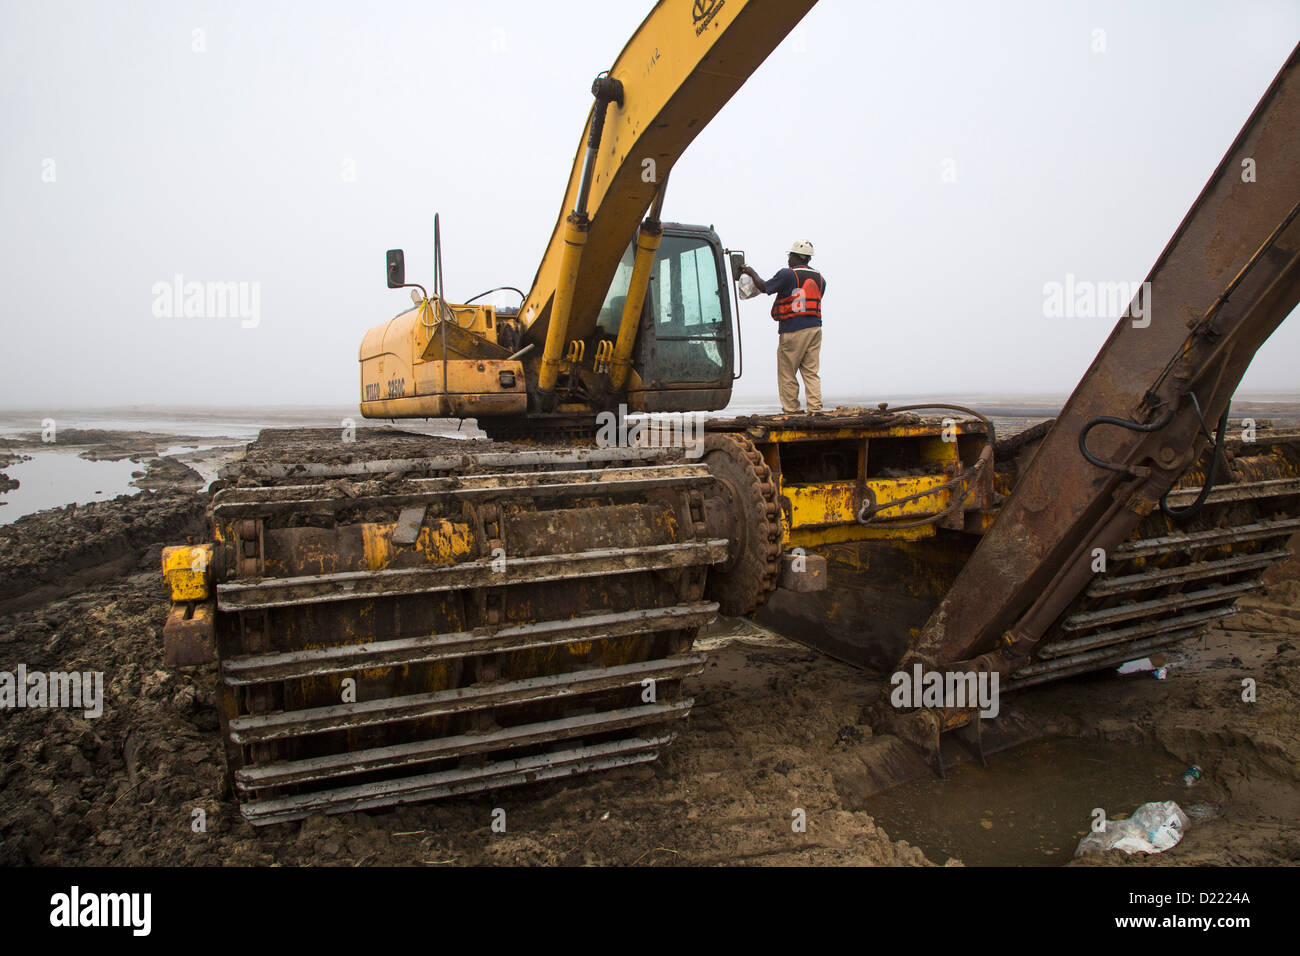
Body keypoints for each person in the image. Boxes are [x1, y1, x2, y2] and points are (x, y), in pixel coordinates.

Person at [739, 240, 825, 414]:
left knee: (787, 372)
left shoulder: (787, 274)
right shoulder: (820, 278)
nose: (788, 259)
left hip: (793, 329)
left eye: (790, 255)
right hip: (815, 329)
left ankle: (792, 409)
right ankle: (815, 409)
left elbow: (764, 287)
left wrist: (750, 271)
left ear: (796, 256)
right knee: (811, 372)